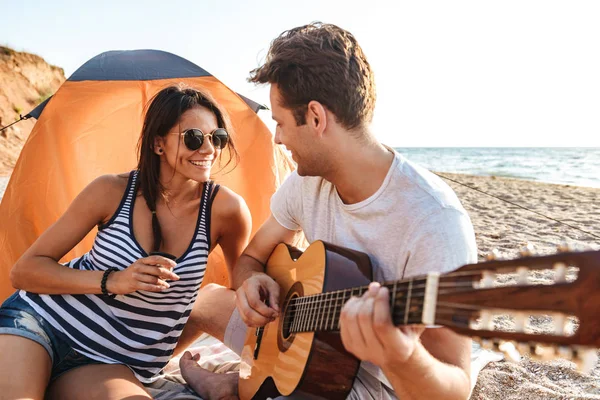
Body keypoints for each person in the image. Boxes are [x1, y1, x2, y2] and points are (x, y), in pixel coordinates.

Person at [179, 22, 476, 400]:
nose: (277, 138)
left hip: (378, 386)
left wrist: (403, 356)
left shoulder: (434, 222)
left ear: (316, 118)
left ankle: (233, 388)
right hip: (308, 350)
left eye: (280, 122)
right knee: (204, 300)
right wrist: (251, 282)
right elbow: (252, 257)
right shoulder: (308, 183)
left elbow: (456, 389)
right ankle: (226, 383)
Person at [0, 85, 251, 400]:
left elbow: (245, 283)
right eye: (193, 138)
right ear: (159, 143)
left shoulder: (226, 210)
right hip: (41, 322)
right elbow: (24, 272)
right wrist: (114, 280)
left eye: (217, 138)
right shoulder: (111, 191)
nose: (208, 149)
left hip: (112, 364)